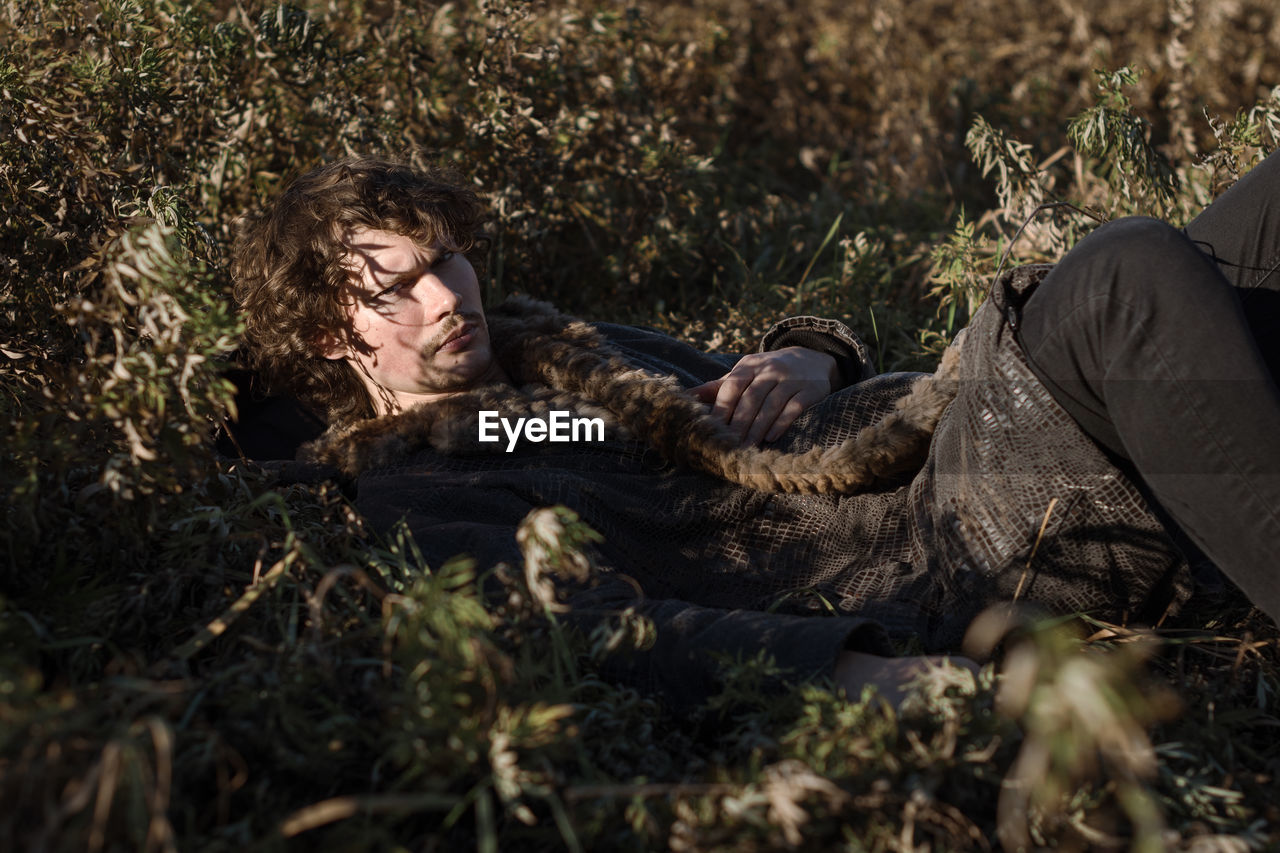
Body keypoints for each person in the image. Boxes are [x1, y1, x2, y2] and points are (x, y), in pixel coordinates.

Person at [228, 154, 1280, 709]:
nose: (443, 296)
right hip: (936, 555)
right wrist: (857, 669)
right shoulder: (423, 485)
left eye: (444, 258)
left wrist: (807, 352)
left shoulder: (564, 350)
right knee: (1125, 270)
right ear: (330, 333)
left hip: (933, 447)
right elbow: (600, 632)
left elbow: (739, 381)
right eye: (394, 291)